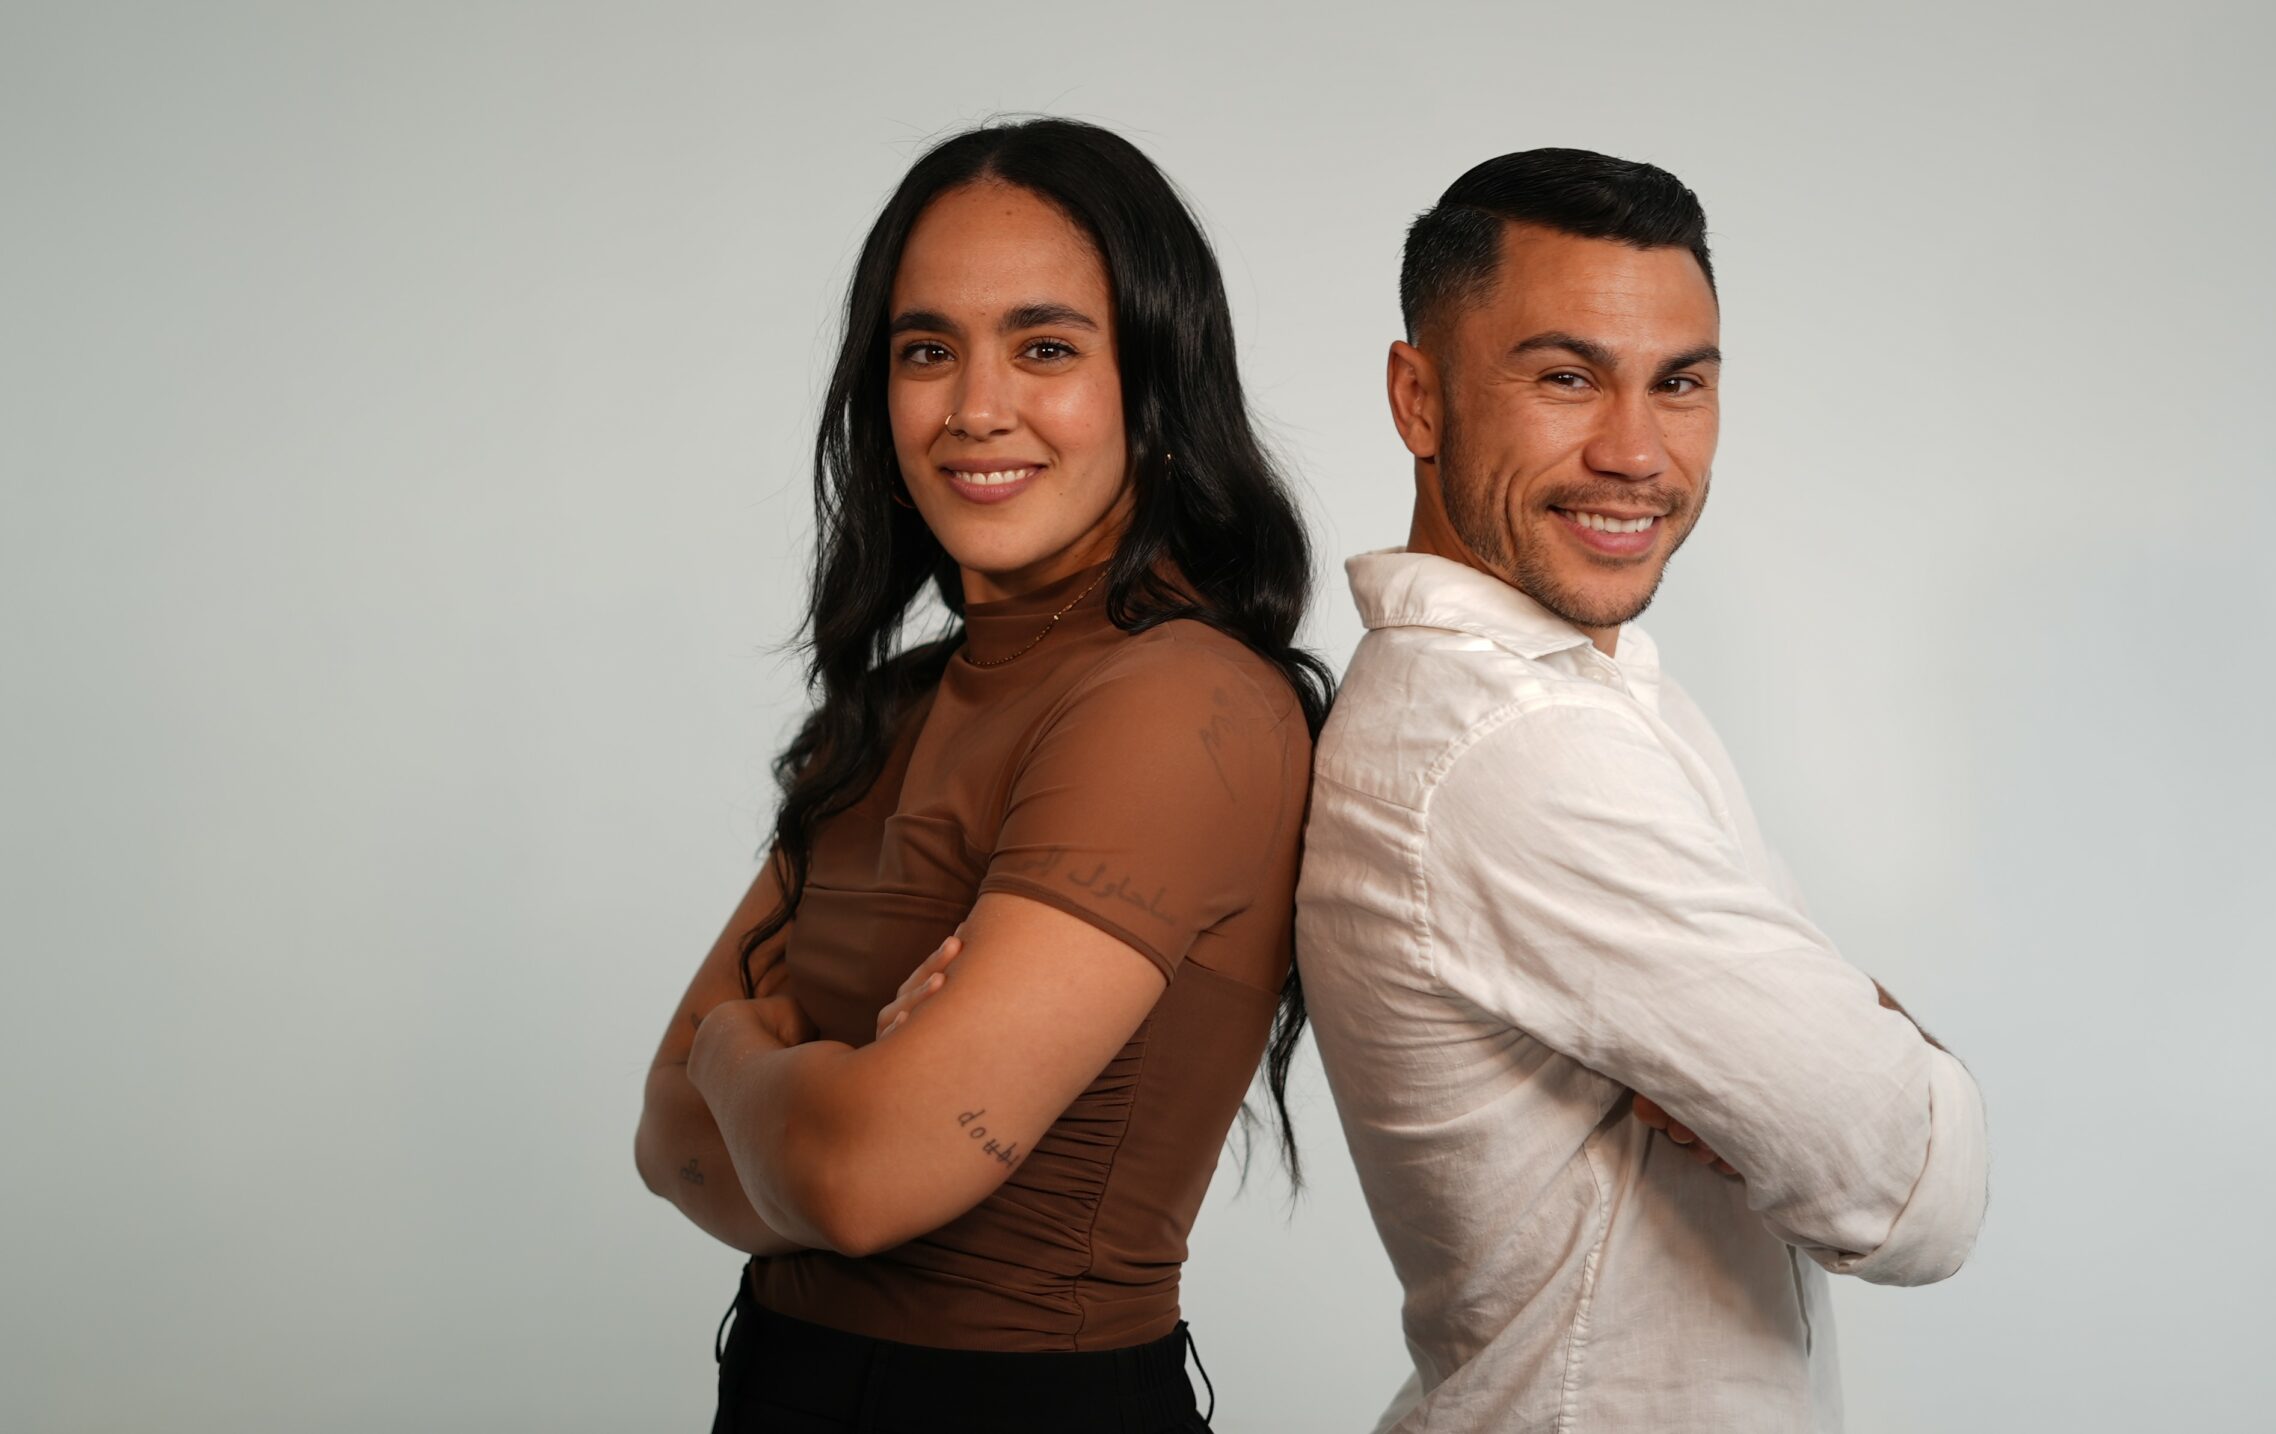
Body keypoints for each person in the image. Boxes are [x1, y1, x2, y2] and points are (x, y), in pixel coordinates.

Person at [632, 117, 1329, 1434]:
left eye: (1046, 346)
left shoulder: (1179, 703)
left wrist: (735, 1052)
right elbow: (664, 1146)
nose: (973, 407)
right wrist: (811, 1104)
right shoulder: (891, 709)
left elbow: (854, 1178)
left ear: (1156, 388)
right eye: (926, 349)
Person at [1293, 149, 1991, 1431]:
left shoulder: (1592, 697)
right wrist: (1872, 1039)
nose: (1635, 452)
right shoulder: (1518, 748)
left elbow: (1861, 1125)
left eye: (1680, 384)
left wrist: (1840, 1049)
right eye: (1565, 378)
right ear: (1419, 396)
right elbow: (1915, 1187)